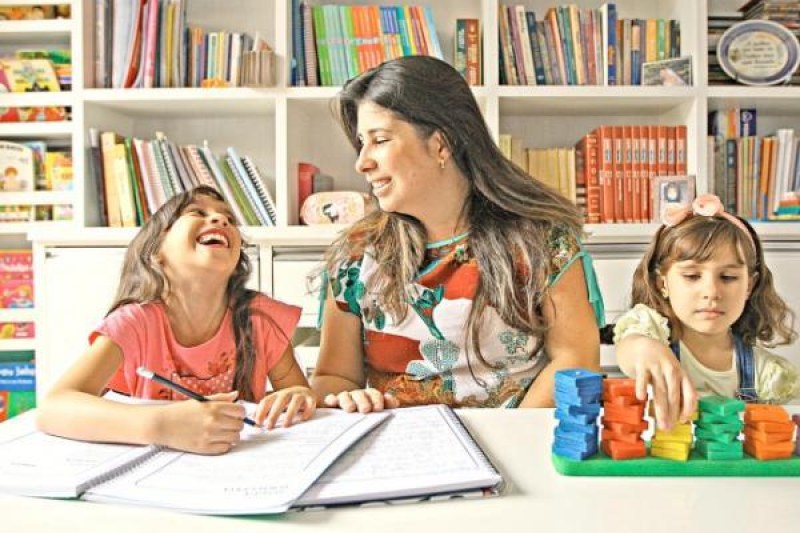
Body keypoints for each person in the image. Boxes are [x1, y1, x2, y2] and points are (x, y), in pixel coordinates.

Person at [311, 56, 604, 412]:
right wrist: (345, 398)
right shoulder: (354, 255)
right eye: (362, 142)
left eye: (380, 140)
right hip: (397, 442)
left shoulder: (543, 241)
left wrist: (510, 436)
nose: (362, 162)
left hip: (511, 441)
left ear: (441, 144)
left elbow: (575, 358)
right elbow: (334, 377)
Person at [37, 186, 316, 454]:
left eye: (229, 219)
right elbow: (53, 408)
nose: (220, 220)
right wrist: (162, 425)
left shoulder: (260, 318)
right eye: (197, 212)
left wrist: (298, 396)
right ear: (155, 252)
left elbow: (298, 394)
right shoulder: (134, 323)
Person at [614, 194, 798, 430]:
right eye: (692, 276)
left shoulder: (766, 373)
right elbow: (630, 347)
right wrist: (644, 348)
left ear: (749, 286)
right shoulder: (650, 334)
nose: (711, 292)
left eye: (728, 277)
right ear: (662, 283)